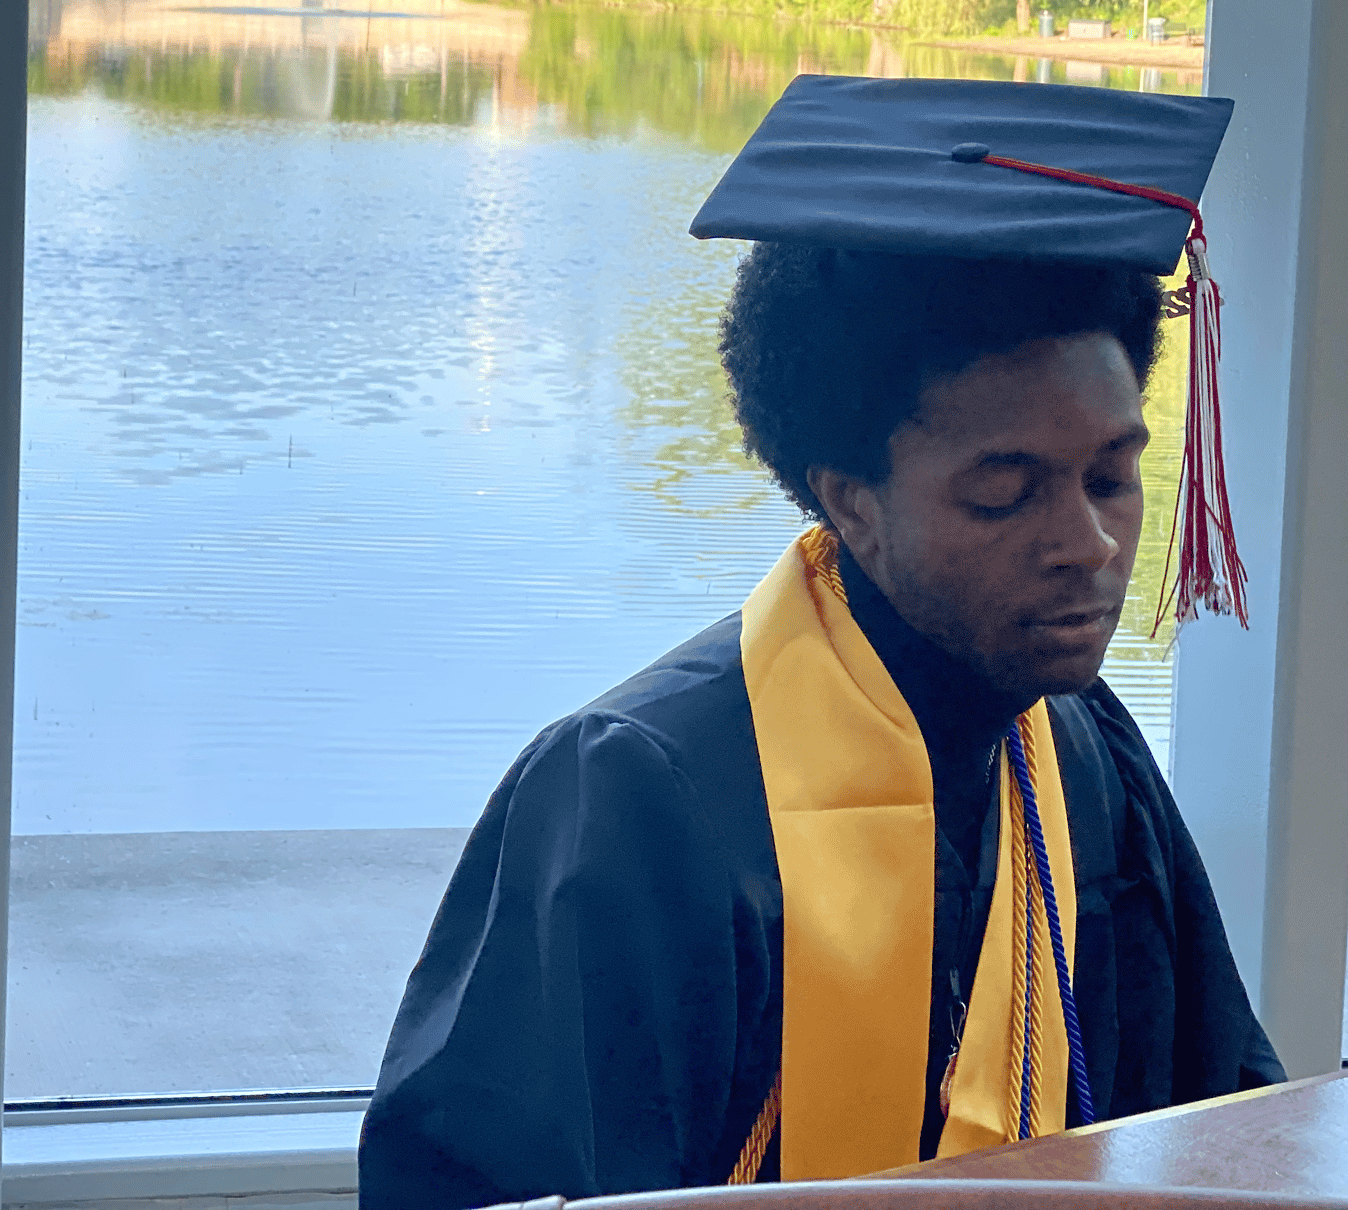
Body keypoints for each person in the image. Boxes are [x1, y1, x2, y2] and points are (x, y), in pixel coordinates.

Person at [359, 76, 1283, 1210]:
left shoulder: (1081, 751)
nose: (1087, 542)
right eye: (1005, 493)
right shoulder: (637, 796)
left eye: (1112, 476)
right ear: (851, 501)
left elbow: (1220, 1115)